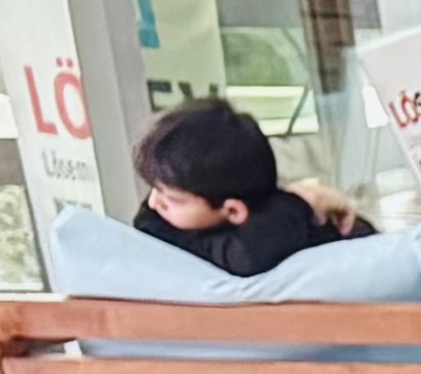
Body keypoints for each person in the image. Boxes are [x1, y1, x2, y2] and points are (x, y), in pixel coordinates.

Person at [131, 96, 364, 279]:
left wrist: (301, 202)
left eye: (174, 200)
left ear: (232, 210)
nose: (154, 203)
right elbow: (146, 225)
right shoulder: (177, 214)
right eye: (154, 189)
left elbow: (245, 255)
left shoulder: (278, 230)